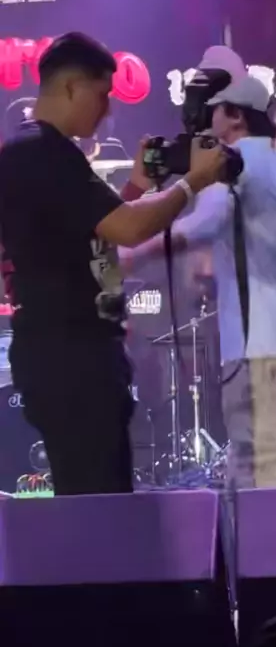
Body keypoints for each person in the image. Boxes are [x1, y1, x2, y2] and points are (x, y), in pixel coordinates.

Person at [0, 32, 226, 496]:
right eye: (102, 95)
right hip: (69, 354)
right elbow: (128, 229)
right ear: (70, 87)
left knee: (97, 493)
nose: (107, 111)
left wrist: (137, 187)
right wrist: (193, 182)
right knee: (97, 499)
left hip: (69, 351)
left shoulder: (41, 151)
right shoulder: (43, 153)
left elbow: (93, 234)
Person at [122, 59, 276, 490]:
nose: (209, 121)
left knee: (263, 462)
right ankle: (264, 531)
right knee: (266, 455)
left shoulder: (232, 170)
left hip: (253, 341)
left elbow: (202, 225)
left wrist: (135, 252)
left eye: (216, 111)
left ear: (236, 116)